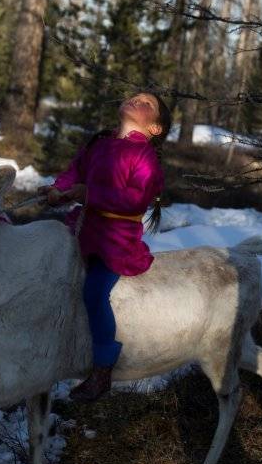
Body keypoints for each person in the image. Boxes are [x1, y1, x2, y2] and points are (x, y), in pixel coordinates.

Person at [37, 92, 168, 402]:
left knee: (94, 292)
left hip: (115, 241)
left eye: (147, 104)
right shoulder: (99, 143)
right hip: (81, 229)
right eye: (135, 97)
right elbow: (75, 171)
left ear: (156, 129)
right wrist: (59, 189)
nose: (138, 101)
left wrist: (87, 193)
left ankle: (102, 367)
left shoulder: (145, 158)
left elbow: (134, 199)